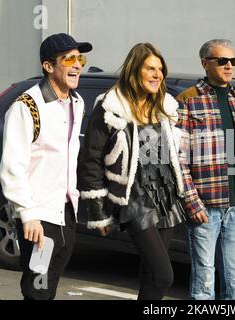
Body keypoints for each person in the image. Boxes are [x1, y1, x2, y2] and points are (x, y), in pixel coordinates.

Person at [78, 43, 185, 300]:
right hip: (134, 199)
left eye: (160, 69)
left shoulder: (165, 107)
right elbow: (91, 160)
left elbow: (173, 156)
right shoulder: (110, 107)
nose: (157, 74)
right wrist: (99, 211)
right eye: (150, 68)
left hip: (165, 195)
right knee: (164, 276)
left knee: (150, 276)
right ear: (135, 70)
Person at [0, 33, 92, 300]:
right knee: (38, 287)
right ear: (48, 66)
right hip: (39, 219)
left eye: (80, 59)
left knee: (49, 286)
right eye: (69, 59)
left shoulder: (77, 102)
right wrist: (27, 214)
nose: (77, 65)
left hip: (66, 213)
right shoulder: (27, 106)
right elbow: (12, 165)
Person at [176, 39, 235, 300]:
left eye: (233, 61)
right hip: (205, 207)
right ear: (205, 63)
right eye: (222, 61)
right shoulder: (188, 100)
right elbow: (178, 157)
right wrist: (192, 203)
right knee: (204, 284)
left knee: (234, 284)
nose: (228, 66)